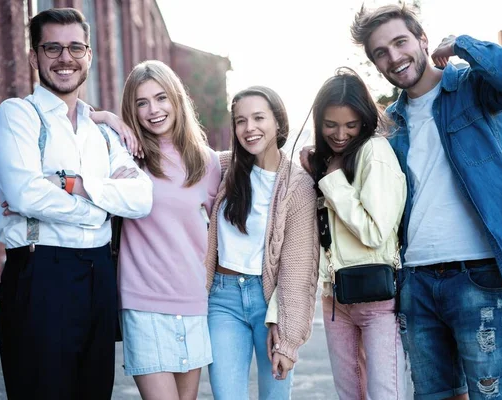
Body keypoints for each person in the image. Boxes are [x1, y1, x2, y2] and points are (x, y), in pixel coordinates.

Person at [349, 4, 502, 400]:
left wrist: (464, 45)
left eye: (400, 42)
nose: (393, 57)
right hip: (416, 281)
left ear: (421, 39)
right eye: (380, 52)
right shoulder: (391, 124)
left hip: (482, 274)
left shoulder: (473, 87)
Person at [0, 8, 153, 399]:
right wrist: (101, 207)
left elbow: (141, 197)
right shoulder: (17, 115)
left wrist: (71, 185)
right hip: (41, 272)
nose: (66, 58)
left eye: (76, 47)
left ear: (89, 55)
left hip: (98, 274)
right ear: (34, 57)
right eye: (53, 48)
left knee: (94, 391)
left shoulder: (104, 133)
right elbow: (27, 193)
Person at [112, 60, 221, 400]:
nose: (153, 110)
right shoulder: (126, 156)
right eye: (141, 103)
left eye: (161, 98)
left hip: (192, 298)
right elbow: (77, 121)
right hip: (142, 301)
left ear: (177, 100)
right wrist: (108, 118)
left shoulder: (207, 162)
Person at [204, 86, 319, 399]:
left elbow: (297, 266)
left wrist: (287, 339)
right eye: (240, 121)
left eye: (258, 118)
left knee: (275, 396)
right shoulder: (223, 168)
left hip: (268, 301)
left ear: (278, 122)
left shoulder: (299, 185)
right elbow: (178, 153)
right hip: (222, 300)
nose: (249, 128)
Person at [306, 67, 407, 399]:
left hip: (377, 298)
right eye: (330, 125)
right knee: (350, 394)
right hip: (335, 297)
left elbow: (374, 232)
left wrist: (333, 182)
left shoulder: (374, 153)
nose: (340, 134)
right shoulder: (328, 160)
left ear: (364, 120)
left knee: (384, 393)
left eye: (351, 125)